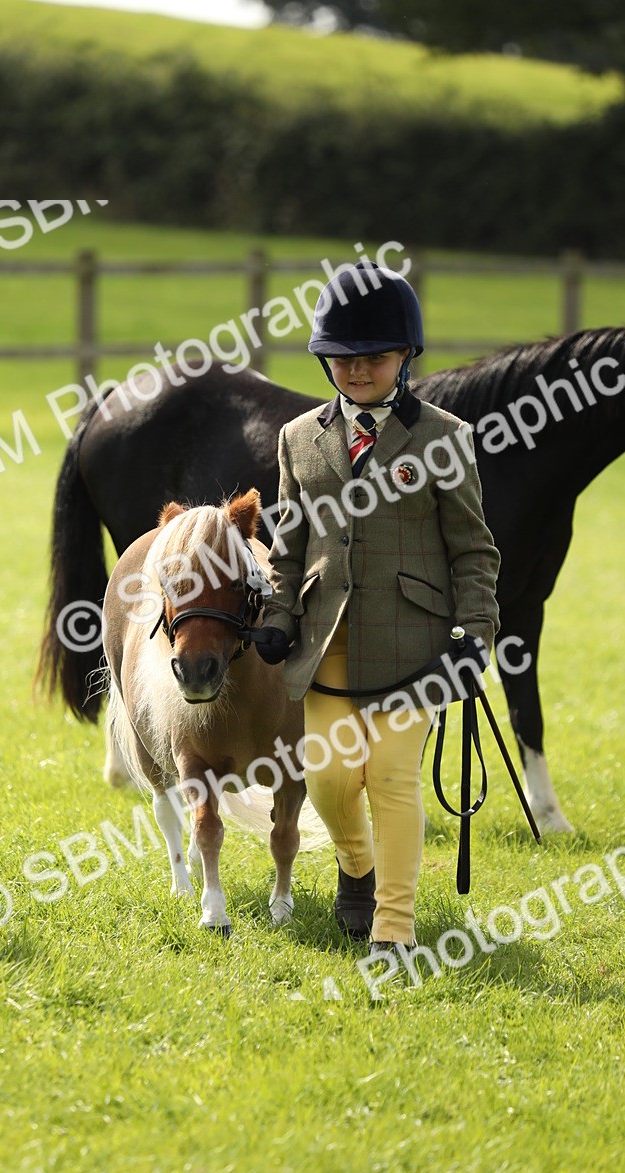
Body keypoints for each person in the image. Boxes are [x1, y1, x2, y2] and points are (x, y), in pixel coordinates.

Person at [253, 261, 500, 955]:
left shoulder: (444, 438)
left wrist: (474, 634)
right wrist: (277, 616)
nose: (358, 371)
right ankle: (354, 866)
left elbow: (474, 551)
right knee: (331, 782)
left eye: (375, 358)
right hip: (325, 642)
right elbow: (289, 545)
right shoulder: (298, 439)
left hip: (414, 643)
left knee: (391, 777)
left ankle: (395, 926)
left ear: (405, 357)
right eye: (342, 359)